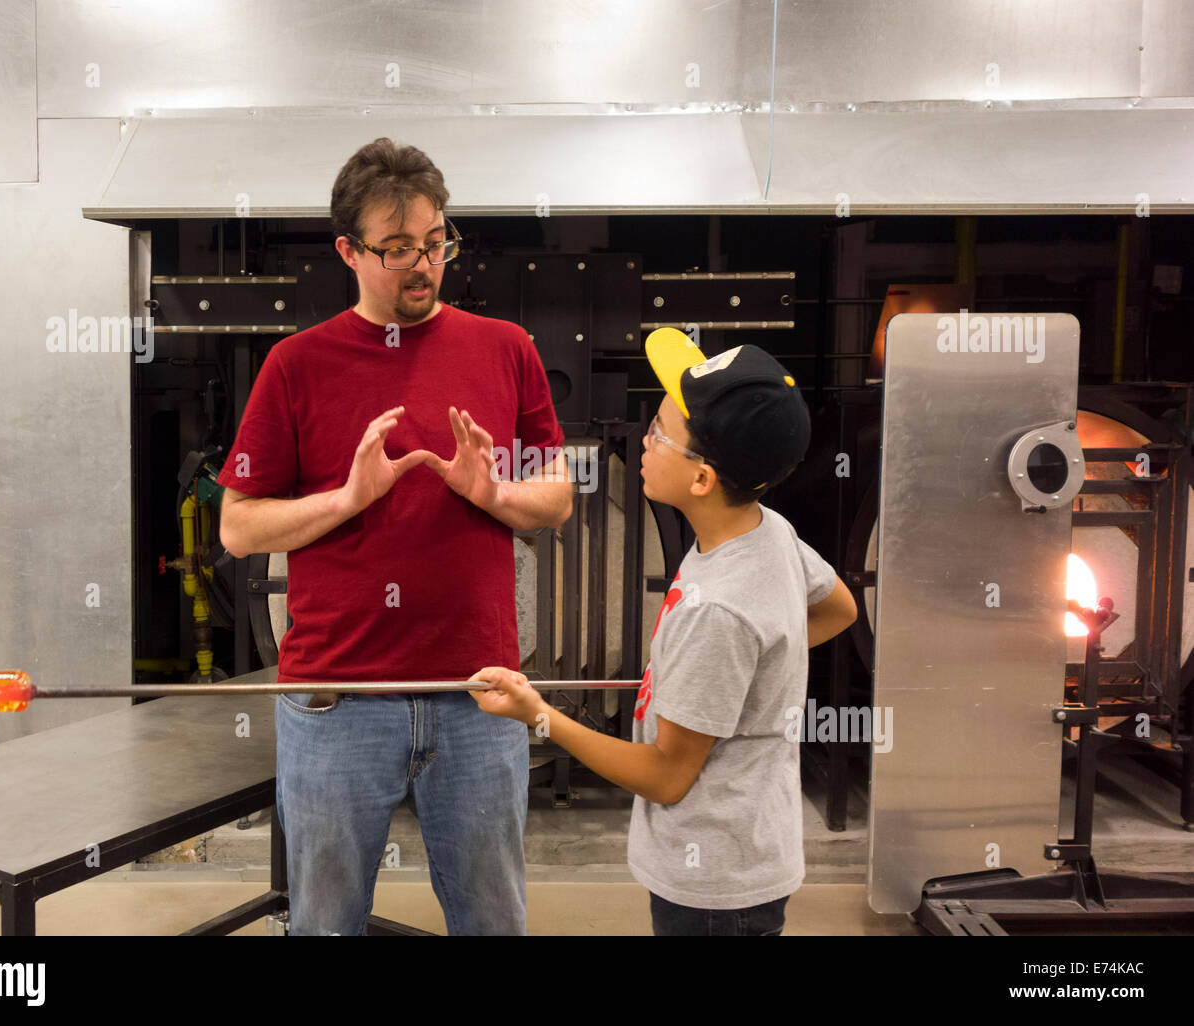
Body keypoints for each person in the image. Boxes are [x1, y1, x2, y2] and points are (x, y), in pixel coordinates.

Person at [217, 137, 572, 935]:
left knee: (493, 920)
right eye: (399, 248)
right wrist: (346, 498)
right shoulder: (295, 365)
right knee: (326, 923)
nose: (423, 265)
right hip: (338, 702)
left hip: (479, 697)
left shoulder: (506, 348)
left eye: (437, 242)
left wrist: (495, 492)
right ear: (349, 249)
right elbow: (238, 527)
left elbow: (557, 500)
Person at [471, 329, 859, 936]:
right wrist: (735, 681)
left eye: (656, 433)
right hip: (753, 855)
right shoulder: (770, 531)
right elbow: (840, 610)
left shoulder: (718, 611)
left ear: (702, 479)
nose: (643, 443)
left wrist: (537, 716)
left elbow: (666, 776)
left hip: (712, 884)